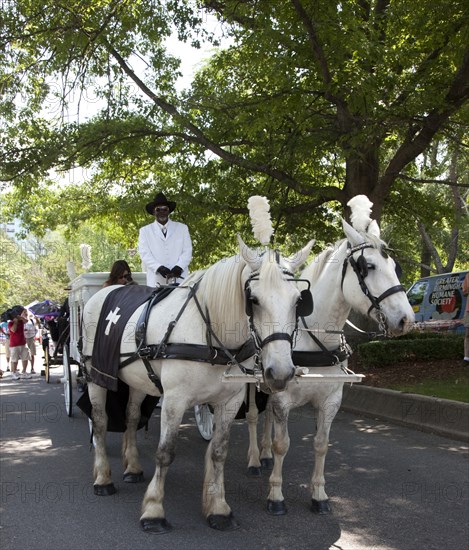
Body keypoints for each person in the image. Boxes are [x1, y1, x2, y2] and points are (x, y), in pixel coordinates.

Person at [138, 192, 192, 287]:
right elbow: (145, 254)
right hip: (156, 280)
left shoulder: (182, 228)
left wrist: (179, 267)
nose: (162, 212)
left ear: (169, 211)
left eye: (165, 209)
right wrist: (159, 268)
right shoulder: (145, 231)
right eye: (158, 209)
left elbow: (187, 251)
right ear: (154, 212)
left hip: (180, 279)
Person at [8, 306, 31, 380]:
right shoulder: (10, 323)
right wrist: (15, 322)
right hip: (14, 344)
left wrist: (20, 317)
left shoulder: (21, 321)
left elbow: (26, 321)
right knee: (15, 359)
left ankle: (24, 372)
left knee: (25, 357)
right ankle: (14, 372)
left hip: (22, 343)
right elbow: (13, 330)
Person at [462, 272, 469, 367]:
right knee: (467, 334)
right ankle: (466, 358)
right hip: (468, 310)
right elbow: (464, 292)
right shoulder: (468, 276)